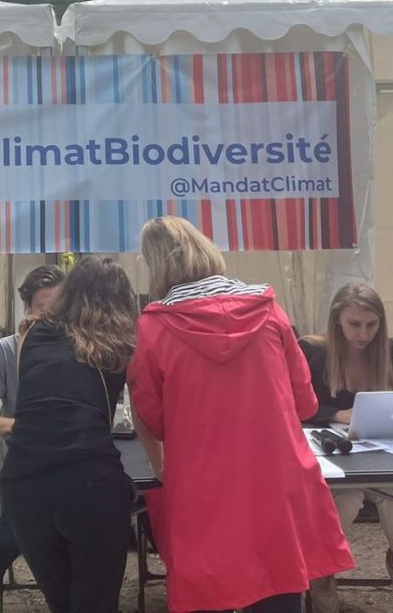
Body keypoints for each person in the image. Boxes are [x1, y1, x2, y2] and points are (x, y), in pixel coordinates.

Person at [129, 216, 353, 613]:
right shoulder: (269, 310)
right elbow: (306, 405)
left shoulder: (154, 327)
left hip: (203, 488)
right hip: (274, 481)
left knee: (209, 590)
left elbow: (154, 419)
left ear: (156, 265)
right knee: (278, 586)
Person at [0, 256, 136, 613]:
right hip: (88, 484)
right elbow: (148, 414)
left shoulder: (31, 333)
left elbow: (26, 402)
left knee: (62, 603)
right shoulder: (119, 344)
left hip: (23, 486)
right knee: (97, 603)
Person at [0, 263, 64, 613]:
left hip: (67, 461)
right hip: (23, 465)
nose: (53, 317)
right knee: (20, 523)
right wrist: (18, 426)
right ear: (27, 310)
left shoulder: (77, 346)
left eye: (60, 308)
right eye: (43, 309)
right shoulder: (7, 350)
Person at [299, 283, 393, 610]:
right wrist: (336, 414)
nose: (363, 334)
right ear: (337, 320)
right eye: (355, 324)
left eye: (372, 325)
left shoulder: (389, 352)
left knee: (392, 500)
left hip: (380, 453)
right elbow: (293, 405)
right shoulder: (312, 351)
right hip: (330, 457)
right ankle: (322, 573)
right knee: (347, 498)